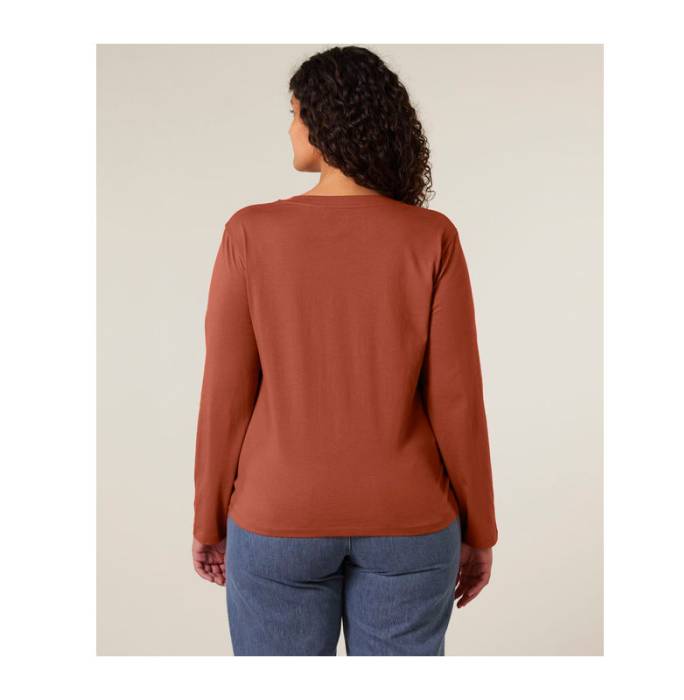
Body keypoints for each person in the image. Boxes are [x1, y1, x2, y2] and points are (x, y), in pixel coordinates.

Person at [191, 45, 498, 656]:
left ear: (324, 120)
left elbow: (225, 394)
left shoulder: (249, 232)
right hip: (411, 521)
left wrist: (207, 519)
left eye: (294, 112)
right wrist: (480, 528)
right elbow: (457, 401)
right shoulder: (431, 237)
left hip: (279, 516)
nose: (290, 128)